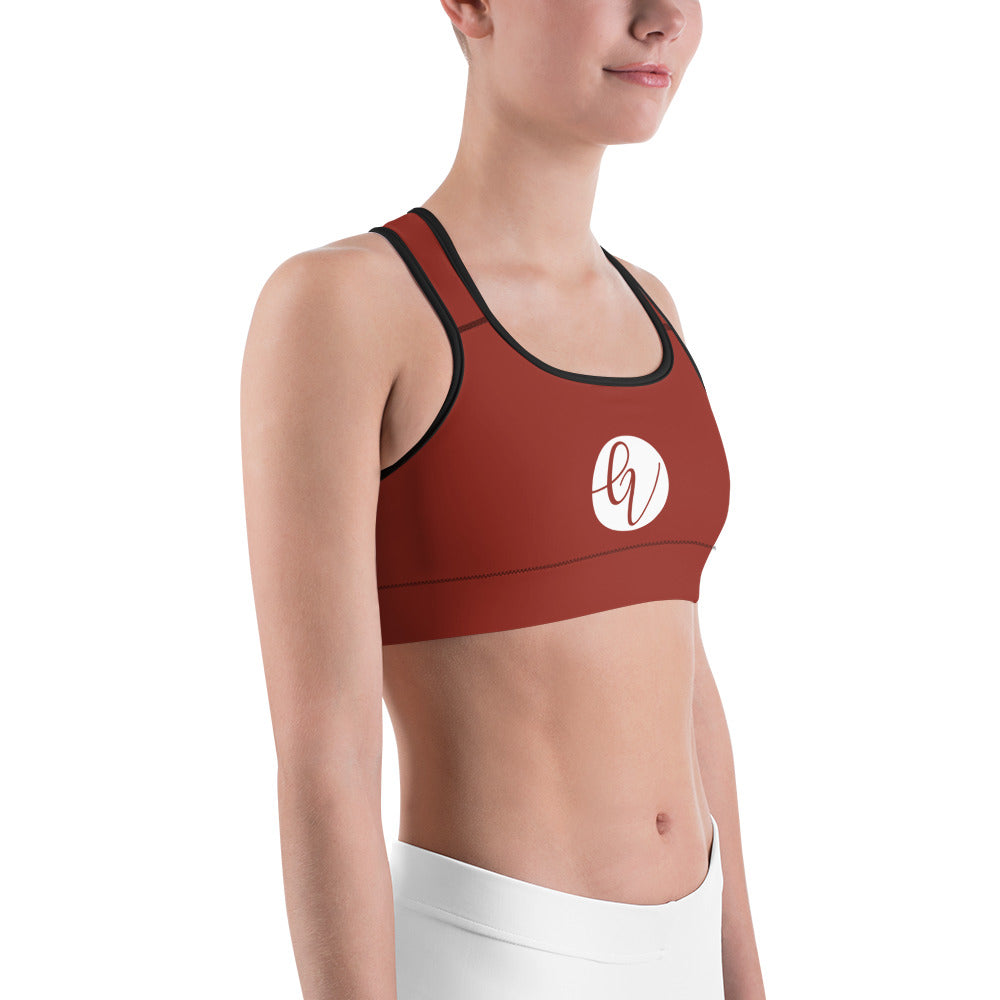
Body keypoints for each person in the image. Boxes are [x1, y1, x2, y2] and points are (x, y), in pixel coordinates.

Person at [240, 1, 766, 997]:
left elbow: (684, 680)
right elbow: (326, 759)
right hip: (496, 959)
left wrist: (743, 977)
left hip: (688, 946)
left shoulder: (653, 311)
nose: (662, 19)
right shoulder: (348, 306)